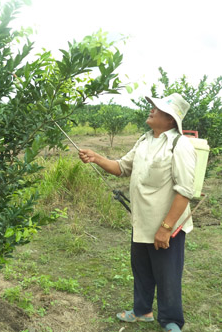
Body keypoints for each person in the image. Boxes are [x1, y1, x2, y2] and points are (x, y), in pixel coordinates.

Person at [78, 93, 196, 332]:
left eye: (158, 108)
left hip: (167, 226)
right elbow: (122, 167)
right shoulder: (144, 140)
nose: (151, 109)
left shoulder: (179, 145)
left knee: (167, 275)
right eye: (152, 106)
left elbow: (184, 191)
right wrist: (97, 158)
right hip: (141, 221)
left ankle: (171, 321)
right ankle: (142, 311)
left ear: (171, 120)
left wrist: (165, 228)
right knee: (141, 269)